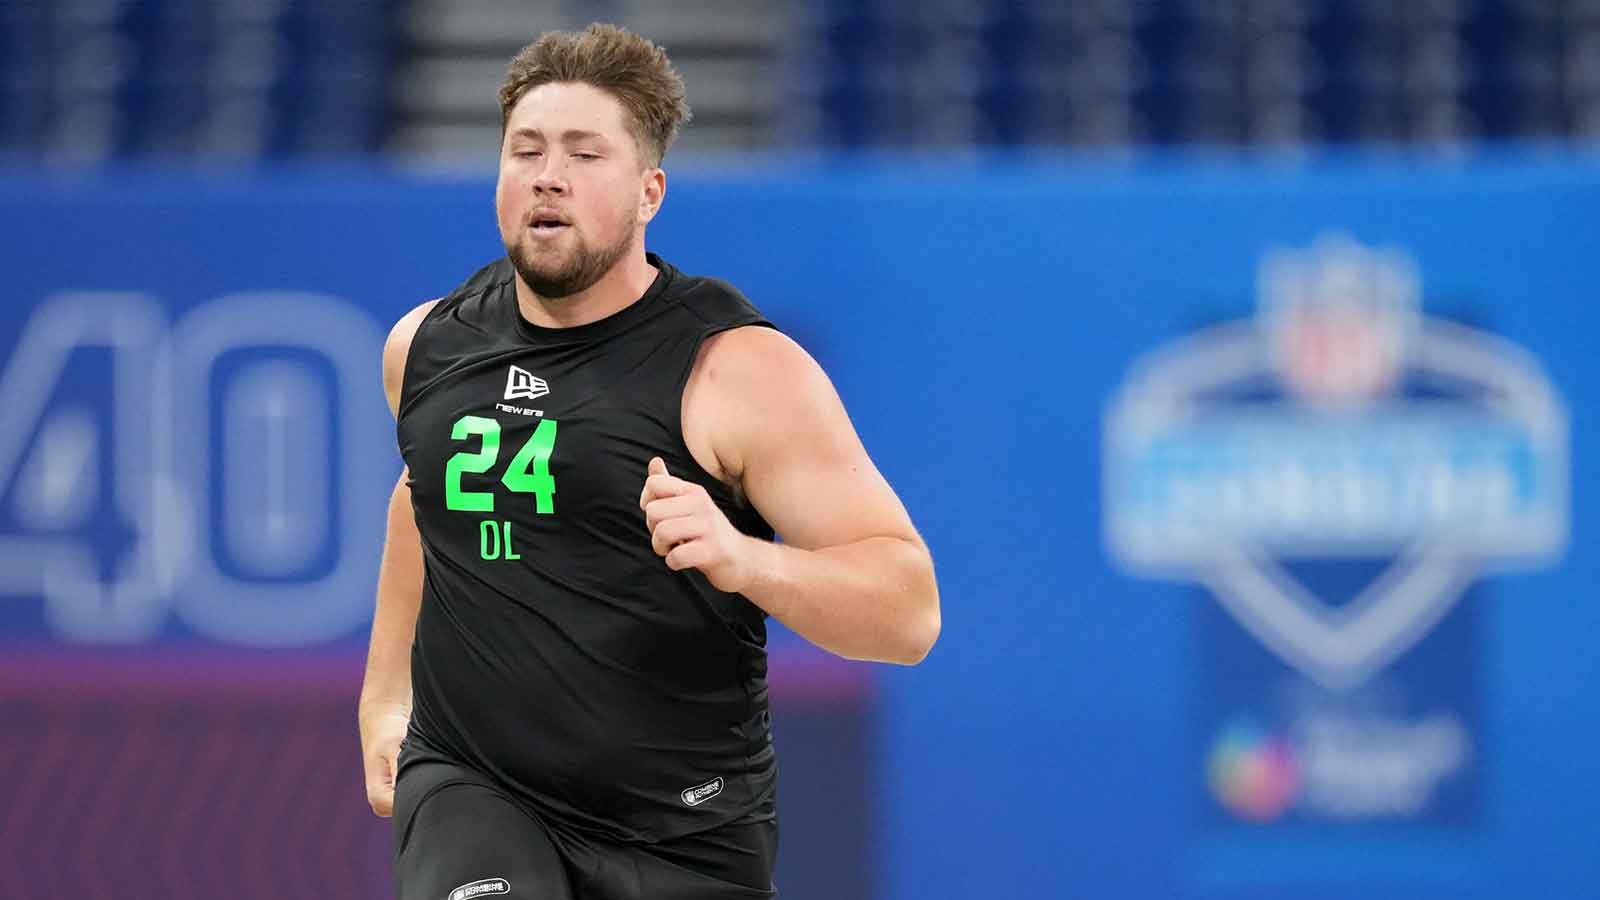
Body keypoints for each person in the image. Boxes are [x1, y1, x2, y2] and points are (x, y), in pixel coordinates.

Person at [357, 23, 940, 900]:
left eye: (585, 154)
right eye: (526, 151)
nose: (547, 175)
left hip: (682, 826)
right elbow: (424, 502)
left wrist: (746, 560)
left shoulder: (736, 369)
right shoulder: (426, 345)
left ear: (648, 193)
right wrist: (384, 697)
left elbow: (908, 613)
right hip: (475, 784)